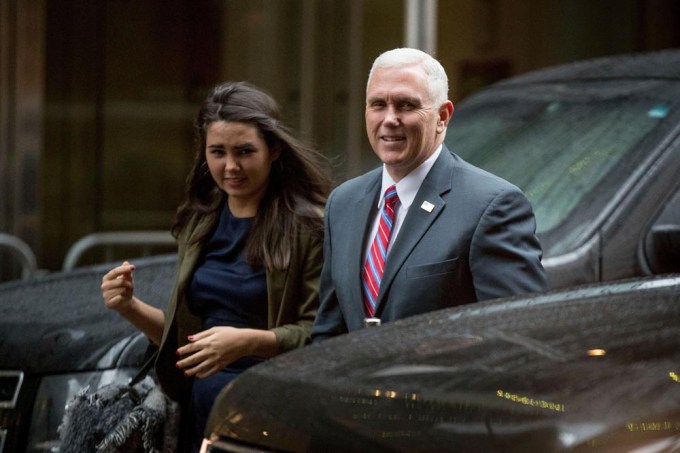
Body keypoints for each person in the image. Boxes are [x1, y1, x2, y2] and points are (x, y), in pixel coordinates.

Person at [101, 81, 330, 452]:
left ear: (273, 150)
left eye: (244, 151)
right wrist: (129, 306)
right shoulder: (199, 223)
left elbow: (322, 334)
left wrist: (246, 342)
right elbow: (188, 344)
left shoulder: (308, 228)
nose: (231, 166)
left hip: (272, 418)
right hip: (201, 413)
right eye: (218, 152)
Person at [311, 48, 548, 341]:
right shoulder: (343, 203)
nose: (389, 119)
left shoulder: (492, 206)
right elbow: (329, 334)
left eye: (406, 105)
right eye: (377, 104)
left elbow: (519, 333)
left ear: (442, 116)